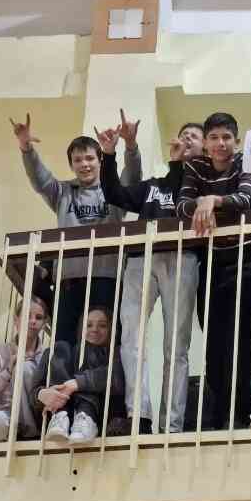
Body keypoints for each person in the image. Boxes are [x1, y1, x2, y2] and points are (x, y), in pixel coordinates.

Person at [97, 121, 204, 434]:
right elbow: (114, 193)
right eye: (183, 134)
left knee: (176, 345)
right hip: (141, 258)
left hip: (182, 257)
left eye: (194, 136)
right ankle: (139, 415)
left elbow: (185, 191)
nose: (187, 139)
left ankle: (172, 424)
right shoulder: (153, 185)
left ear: (204, 148)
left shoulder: (202, 184)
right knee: (131, 337)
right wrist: (109, 154)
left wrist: (179, 164)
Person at [10, 111, 142, 346]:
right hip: (68, 280)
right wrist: (26, 147)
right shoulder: (62, 192)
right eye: (78, 160)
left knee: (105, 344)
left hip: (107, 277)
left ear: (100, 161)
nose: (84, 164)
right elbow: (40, 179)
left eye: (90, 158)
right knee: (64, 344)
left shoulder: (113, 191)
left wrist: (130, 145)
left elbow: (132, 176)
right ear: (71, 165)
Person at [176, 112, 251, 429]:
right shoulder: (195, 167)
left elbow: (245, 198)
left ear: (236, 141)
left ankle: (238, 414)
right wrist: (204, 202)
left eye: (226, 137)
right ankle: (216, 415)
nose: (220, 143)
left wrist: (211, 199)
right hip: (213, 262)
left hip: (249, 259)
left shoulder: (248, 161)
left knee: (238, 338)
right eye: (213, 137)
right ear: (206, 142)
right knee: (213, 341)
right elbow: (182, 205)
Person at [32, 306, 125, 445]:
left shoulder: (118, 353)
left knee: (88, 352)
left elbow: (116, 377)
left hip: (100, 415)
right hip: (61, 420)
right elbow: (33, 391)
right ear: (81, 329)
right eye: (89, 325)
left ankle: (86, 416)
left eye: (102, 325)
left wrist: (76, 383)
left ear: (111, 329)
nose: (94, 329)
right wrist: (41, 394)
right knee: (59, 347)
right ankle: (61, 415)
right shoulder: (69, 353)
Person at [0, 296, 48, 443]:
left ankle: (29, 434)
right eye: (27, 316)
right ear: (16, 320)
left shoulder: (47, 356)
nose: (33, 321)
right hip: (6, 417)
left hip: (36, 420)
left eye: (38, 317)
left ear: (43, 324)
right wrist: (7, 371)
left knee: (25, 368)